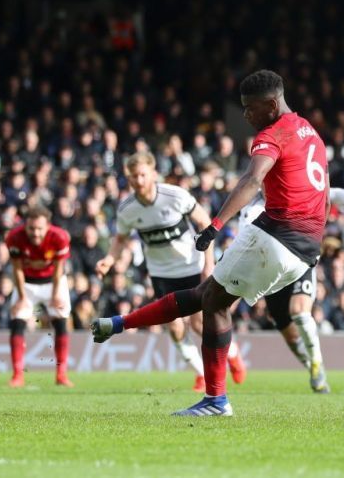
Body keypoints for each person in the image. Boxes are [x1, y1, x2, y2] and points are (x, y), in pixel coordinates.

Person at [92, 70, 328, 416]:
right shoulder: (310, 132)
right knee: (208, 297)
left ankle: (216, 400)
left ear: (272, 104)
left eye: (250, 108)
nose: (246, 115)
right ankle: (120, 323)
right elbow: (322, 190)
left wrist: (216, 224)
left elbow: (251, 179)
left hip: (278, 233)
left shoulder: (271, 135)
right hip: (307, 245)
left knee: (212, 303)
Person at [95, 152, 246, 393]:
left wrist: (208, 263)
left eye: (143, 175)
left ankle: (234, 356)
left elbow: (204, 222)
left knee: (199, 324)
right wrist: (109, 259)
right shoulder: (127, 209)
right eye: (133, 177)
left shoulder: (175, 196)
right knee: (174, 328)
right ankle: (201, 374)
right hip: (161, 273)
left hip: (192, 265)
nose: (138, 180)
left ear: (153, 174)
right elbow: (120, 238)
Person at [246, 188, 344, 393]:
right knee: (290, 335)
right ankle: (314, 369)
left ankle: (317, 364)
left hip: (300, 259)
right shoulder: (252, 204)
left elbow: (330, 193)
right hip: (271, 273)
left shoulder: (294, 187)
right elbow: (247, 231)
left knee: (299, 311)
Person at [5, 206, 73, 388]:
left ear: (48, 226)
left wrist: (56, 294)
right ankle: (17, 375)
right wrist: (21, 297)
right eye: (31, 229)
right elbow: (17, 268)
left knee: (60, 322)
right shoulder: (14, 237)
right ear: (25, 226)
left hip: (53, 281)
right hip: (26, 283)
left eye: (40, 229)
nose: (35, 233)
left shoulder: (60, 237)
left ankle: (61, 374)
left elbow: (59, 268)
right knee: (17, 321)